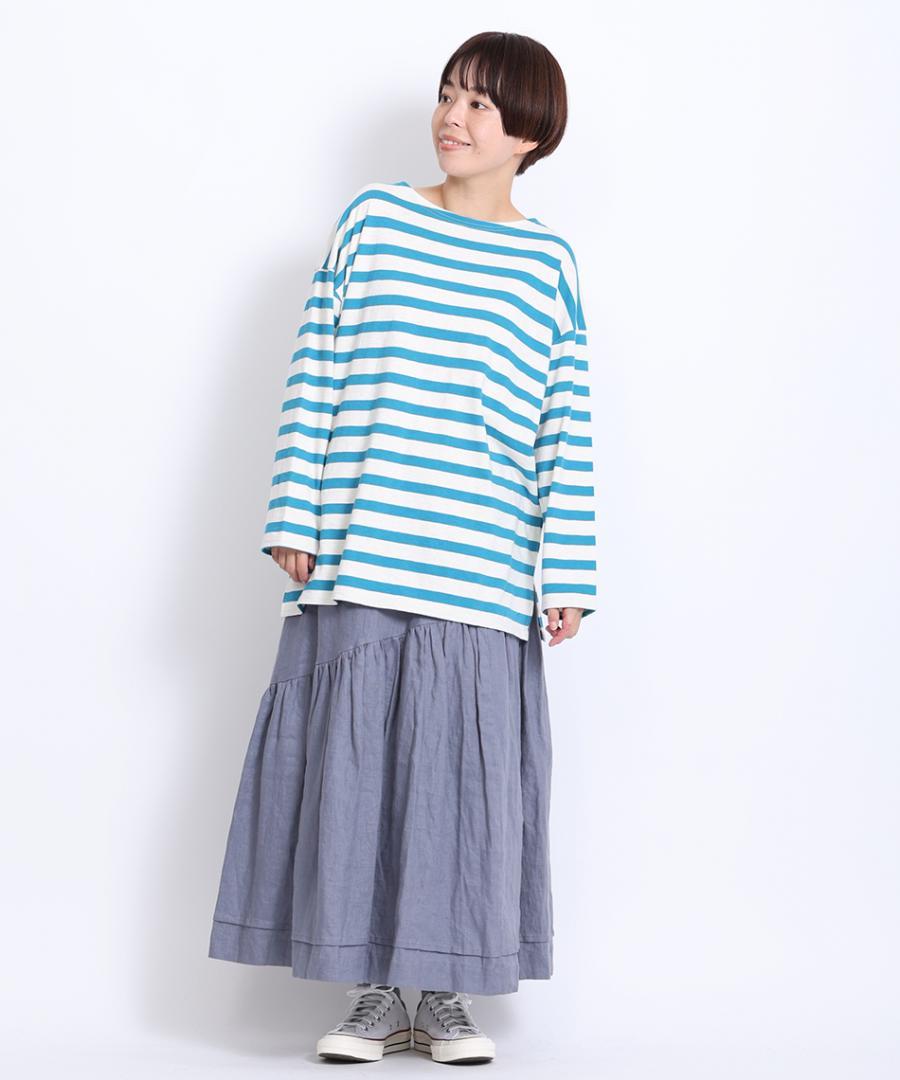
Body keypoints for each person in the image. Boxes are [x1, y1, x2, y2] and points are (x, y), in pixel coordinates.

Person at [207, 30, 599, 1065]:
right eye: (448, 94)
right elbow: (318, 365)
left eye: (480, 104)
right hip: (362, 545)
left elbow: (563, 425)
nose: (452, 117)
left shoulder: (547, 263)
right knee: (356, 778)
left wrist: (567, 575)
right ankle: (376, 994)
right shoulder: (375, 221)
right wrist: (294, 513)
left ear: (529, 134)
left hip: (482, 567)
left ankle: (444, 994)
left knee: (462, 788)